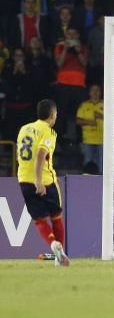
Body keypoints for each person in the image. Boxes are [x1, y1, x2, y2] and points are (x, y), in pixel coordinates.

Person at [17, 99, 69, 266]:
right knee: (56, 217)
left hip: (24, 180)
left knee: (39, 221)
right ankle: (59, 258)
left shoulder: (24, 129)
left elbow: (28, 155)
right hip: (45, 182)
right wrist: (40, 180)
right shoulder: (48, 132)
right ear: (53, 115)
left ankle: (53, 245)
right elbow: (40, 154)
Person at [76, 84, 104, 171]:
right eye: (93, 90)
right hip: (88, 139)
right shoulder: (84, 105)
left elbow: (113, 119)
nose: (95, 92)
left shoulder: (106, 104)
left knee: (102, 167)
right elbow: (78, 120)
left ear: (100, 92)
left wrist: (100, 115)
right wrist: (88, 122)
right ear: (89, 93)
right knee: (88, 165)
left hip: (103, 140)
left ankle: (102, 184)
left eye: (97, 90)